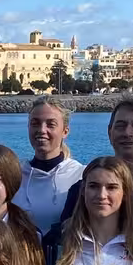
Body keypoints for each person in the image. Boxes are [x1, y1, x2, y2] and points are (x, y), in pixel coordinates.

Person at [60, 96, 133, 234]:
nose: (128, 133)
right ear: (110, 133)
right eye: (120, 126)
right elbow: (65, 238)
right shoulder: (83, 190)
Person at [14, 95, 84, 232]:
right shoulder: (14, 176)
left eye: (51, 124)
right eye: (35, 123)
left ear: (65, 131)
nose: (42, 130)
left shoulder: (81, 175)